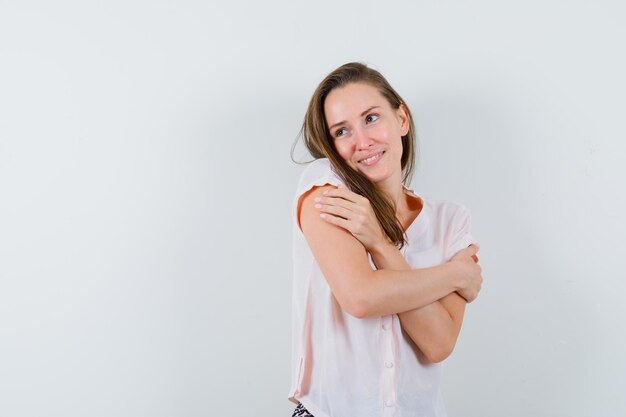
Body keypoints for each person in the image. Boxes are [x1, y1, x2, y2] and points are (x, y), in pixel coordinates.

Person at [288, 62, 483, 417]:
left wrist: (378, 243)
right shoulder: (325, 188)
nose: (362, 141)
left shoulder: (450, 220)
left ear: (402, 120)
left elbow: (438, 344)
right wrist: (456, 275)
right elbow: (361, 297)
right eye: (342, 131)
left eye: (371, 118)